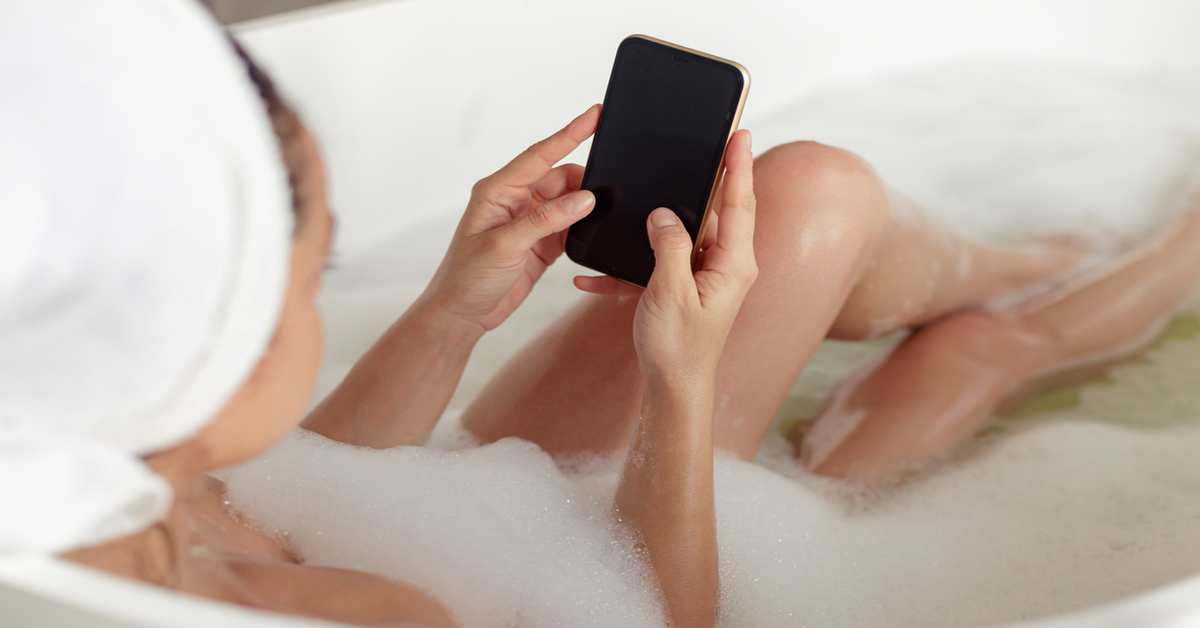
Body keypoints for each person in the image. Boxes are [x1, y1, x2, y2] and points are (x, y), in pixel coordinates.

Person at [5, 2, 1199, 628]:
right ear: (206, 342)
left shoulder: (84, 470)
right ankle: (1113, 275)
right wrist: (680, 385)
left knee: (808, 197)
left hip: (510, 514)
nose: (318, 304)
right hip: (654, 568)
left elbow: (293, 491)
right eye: (311, 284)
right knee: (867, 250)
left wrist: (450, 312)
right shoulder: (369, 615)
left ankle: (1020, 279)